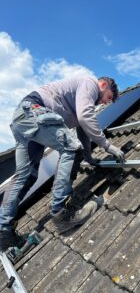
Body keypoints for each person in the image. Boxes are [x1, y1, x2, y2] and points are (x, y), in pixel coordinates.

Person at [0, 75, 125, 251]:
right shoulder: (89, 83)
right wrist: (107, 146)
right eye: (108, 97)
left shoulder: (79, 99)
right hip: (35, 111)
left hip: (22, 117)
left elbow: (83, 132)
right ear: (103, 85)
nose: (105, 103)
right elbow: (85, 117)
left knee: (26, 175)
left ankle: (3, 232)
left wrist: (89, 158)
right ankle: (61, 214)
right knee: (72, 148)